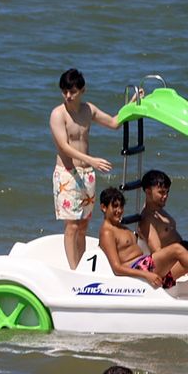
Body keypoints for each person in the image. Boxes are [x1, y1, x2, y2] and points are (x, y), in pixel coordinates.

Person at [96, 187, 188, 307]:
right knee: (176, 249)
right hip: (140, 271)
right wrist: (146, 275)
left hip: (149, 267)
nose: (119, 211)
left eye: (121, 206)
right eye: (114, 207)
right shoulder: (107, 232)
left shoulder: (121, 227)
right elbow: (117, 268)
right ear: (103, 207)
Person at [50, 68, 127, 270]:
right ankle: (73, 270)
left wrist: (133, 104)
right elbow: (64, 146)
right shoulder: (58, 114)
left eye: (72, 91)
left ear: (82, 90)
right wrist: (91, 160)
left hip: (87, 175)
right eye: (64, 91)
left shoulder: (88, 110)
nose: (68, 95)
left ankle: (81, 268)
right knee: (71, 226)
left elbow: (114, 122)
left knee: (83, 226)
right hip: (67, 174)